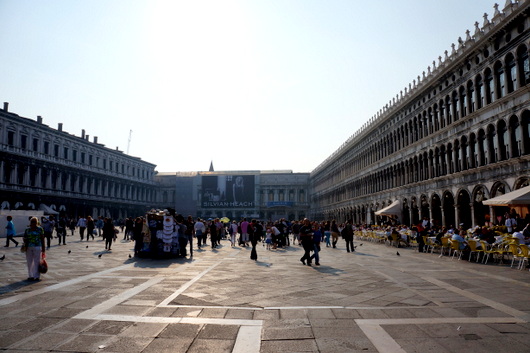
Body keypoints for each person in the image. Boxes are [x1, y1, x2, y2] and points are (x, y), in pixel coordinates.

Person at [23, 217, 45, 281]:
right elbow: (24, 237)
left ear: (37, 222)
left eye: (34, 222)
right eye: (32, 222)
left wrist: (43, 248)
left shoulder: (40, 229)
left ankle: (36, 276)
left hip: (37, 246)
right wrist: (25, 241)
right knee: (29, 261)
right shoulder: (27, 230)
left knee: (37, 261)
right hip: (29, 247)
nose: (33, 223)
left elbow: (42, 239)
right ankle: (31, 275)